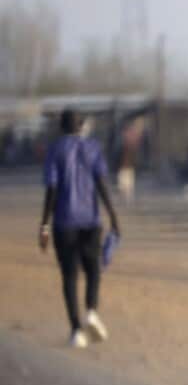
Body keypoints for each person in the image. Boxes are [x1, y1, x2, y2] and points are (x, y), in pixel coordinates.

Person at [39, 108, 122, 348]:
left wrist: (44, 225)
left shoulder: (55, 150)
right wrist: (113, 214)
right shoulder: (93, 148)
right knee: (93, 270)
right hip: (91, 221)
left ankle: (76, 330)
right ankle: (92, 311)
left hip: (64, 223)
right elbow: (100, 183)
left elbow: (52, 190)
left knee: (69, 276)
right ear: (81, 125)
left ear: (61, 127)